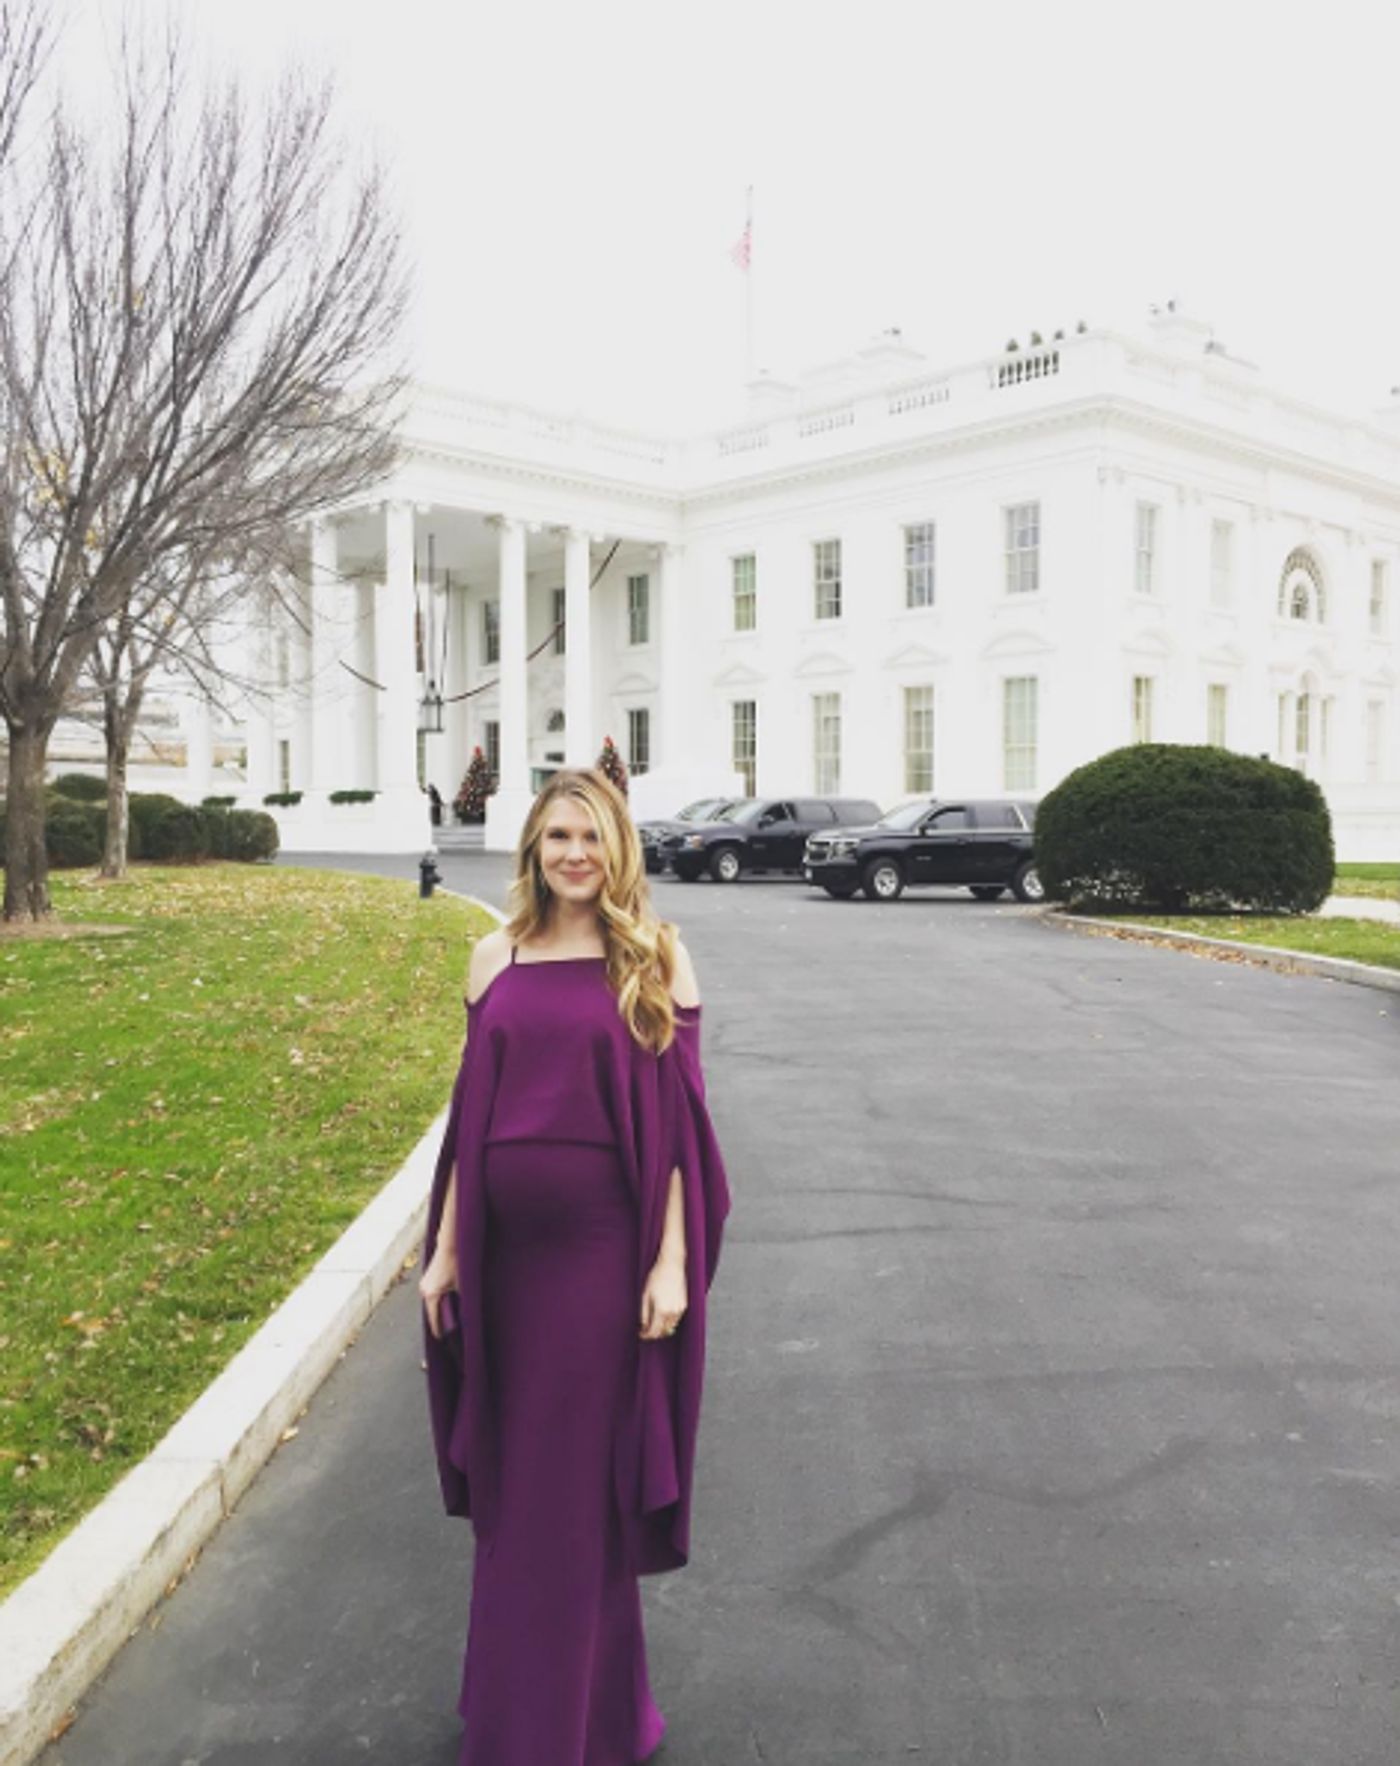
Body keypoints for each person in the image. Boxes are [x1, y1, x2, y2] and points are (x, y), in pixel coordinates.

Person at [418, 765, 732, 1766]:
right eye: (557, 837)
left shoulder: (654, 961)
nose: (573, 855)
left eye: (590, 837)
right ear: (532, 847)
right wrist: (446, 1252)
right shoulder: (491, 959)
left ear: (617, 847)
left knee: (572, 1492)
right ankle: (519, 1706)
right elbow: (470, 1125)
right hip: (505, 1266)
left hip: (600, 1264)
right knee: (514, 1489)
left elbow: (681, 1137)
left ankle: (576, 1724)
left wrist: (671, 1264)